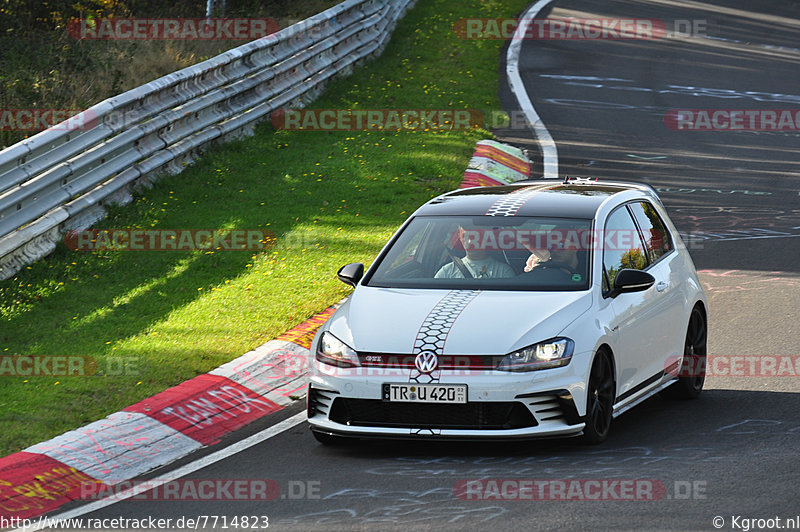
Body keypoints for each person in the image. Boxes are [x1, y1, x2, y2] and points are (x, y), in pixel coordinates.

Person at [435, 226, 515, 279]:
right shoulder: (446, 272)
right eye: (465, 236)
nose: (470, 242)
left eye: (476, 236)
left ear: (486, 237)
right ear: (459, 237)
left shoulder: (503, 272)